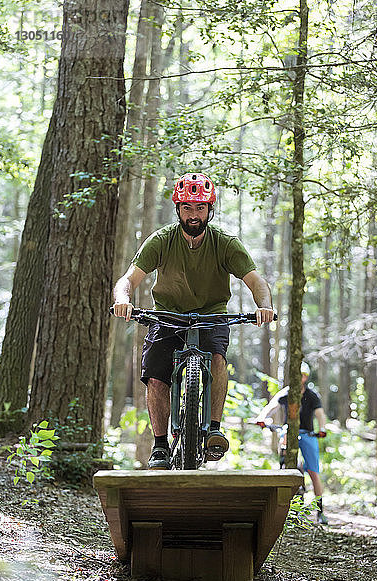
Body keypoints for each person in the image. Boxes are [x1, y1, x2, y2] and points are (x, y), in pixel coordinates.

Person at [113, 173, 275, 469]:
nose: (193, 215)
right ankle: (160, 445)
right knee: (157, 377)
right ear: (178, 209)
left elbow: (256, 281)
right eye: (187, 208)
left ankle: (213, 429)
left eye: (200, 208)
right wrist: (123, 299)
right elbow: (129, 279)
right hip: (167, 316)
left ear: (209, 210)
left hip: (211, 315)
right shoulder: (162, 240)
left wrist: (264, 306)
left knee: (216, 360)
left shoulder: (225, 243)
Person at [255, 362, 329, 524]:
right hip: (289, 431)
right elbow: (271, 406)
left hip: (307, 434)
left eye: (302, 375)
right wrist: (261, 418)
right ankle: (283, 505)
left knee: (313, 471)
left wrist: (322, 428)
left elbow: (320, 414)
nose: (299, 378)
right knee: (284, 452)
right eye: (296, 374)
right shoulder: (286, 393)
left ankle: (320, 511)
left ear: (306, 377)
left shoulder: (311, 395)